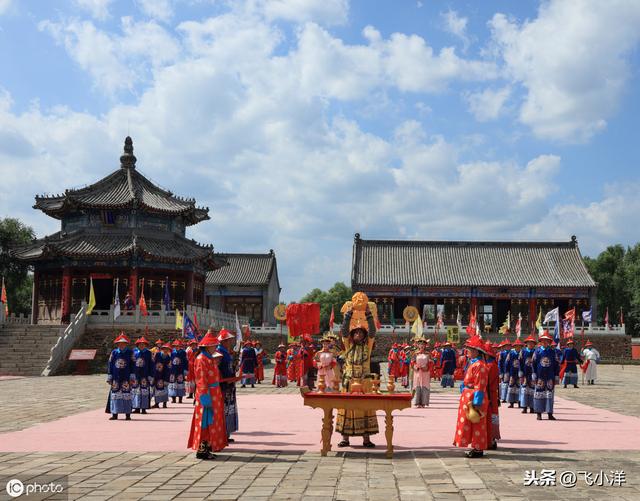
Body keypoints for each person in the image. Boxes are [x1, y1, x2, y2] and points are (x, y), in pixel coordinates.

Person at [336, 296, 378, 448]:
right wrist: (349, 314)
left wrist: (368, 314)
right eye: (356, 333)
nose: (358, 335)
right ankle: (345, 438)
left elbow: (373, 331)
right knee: (347, 409)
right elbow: (344, 331)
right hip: (349, 381)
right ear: (352, 335)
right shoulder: (347, 345)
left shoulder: (367, 346)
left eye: (361, 333)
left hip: (364, 382)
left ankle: (366, 439)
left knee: (365, 409)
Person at [187, 330, 227, 460]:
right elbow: (201, 379)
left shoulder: (209, 358)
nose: (216, 347)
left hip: (214, 394)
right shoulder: (201, 359)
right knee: (205, 422)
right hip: (207, 395)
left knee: (213, 422)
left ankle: (208, 447)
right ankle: (202, 449)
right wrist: (204, 397)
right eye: (214, 345)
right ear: (207, 346)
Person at [453, 335, 489, 458]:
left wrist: (477, 401)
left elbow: (480, 385)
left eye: (469, 349)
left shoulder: (480, 366)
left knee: (477, 423)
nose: (466, 351)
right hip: (468, 396)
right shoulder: (472, 363)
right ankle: (473, 446)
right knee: (470, 423)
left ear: (475, 351)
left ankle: (478, 448)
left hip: (474, 397)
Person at [106, 333, 136, 420]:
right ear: (117, 344)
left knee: (126, 395)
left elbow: (133, 364)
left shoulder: (130, 352)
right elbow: (110, 364)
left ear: (126, 344)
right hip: (116, 377)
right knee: (115, 395)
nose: (121, 345)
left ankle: (128, 414)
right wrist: (109, 375)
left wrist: (132, 376)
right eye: (120, 343)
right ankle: (115, 414)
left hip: (126, 377)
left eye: (123, 343)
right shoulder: (114, 352)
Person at [532, 331, 560, 420]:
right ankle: (538, 413)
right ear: (540, 342)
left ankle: (549, 413)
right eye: (543, 341)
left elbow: (556, 364)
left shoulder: (552, 352)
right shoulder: (537, 352)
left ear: (549, 342)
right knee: (539, 394)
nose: (545, 342)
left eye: (546, 341)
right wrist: (534, 375)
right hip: (540, 377)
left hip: (550, 377)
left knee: (549, 395)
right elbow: (533, 364)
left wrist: (556, 376)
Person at [217, 329, 239, 442]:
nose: (231, 342)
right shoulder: (219, 352)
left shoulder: (226, 352)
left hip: (229, 384)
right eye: (229, 340)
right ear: (223, 341)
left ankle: (226, 433)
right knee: (224, 409)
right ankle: (223, 433)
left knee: (229, 408)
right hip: (224, 385)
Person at [484, 341, 500, 450]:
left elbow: (487, 383)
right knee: (492, 417)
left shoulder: (490, 366)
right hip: (493, 395)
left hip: (489, 395)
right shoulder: (492, 365)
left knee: (489, 417)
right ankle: (491, 439)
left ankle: (490, 439)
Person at [132, 336, 153, 414]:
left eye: (143, 344)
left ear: (145, 345)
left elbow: (152, 364)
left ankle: (144, 408)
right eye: (140, 344)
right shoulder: (134, 352)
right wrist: (131, 373)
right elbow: (131, 363)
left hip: (145, 374)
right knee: (136, 391)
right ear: (137, 344)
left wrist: (151, 374)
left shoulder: (148, 353)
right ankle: (136, 407)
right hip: (136, 374)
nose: (141, 345)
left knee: (144, 391)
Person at [411, 337, 433, 407]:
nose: (422, 346)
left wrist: (427, 367)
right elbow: (412, 362)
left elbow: (431, 362)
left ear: (425, 345)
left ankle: (424, 402)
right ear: (418, 345)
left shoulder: (428, 354)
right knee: (417, 385)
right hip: (417, 371)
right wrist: (416, 367)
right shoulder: (415, 353)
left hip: (425, 372)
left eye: (423, 344)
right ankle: (417, 402)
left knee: (425, 386)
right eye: (420, 344)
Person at [518, 335, 536, 414]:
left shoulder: (536, 352)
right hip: (525, 374)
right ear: (526, 344)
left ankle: (532, 407)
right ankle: (524, 407)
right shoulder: (523, 352)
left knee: (532, 390)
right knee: (524, 390)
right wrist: (520, 372)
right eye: (529, 343)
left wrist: (535, 373)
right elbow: (520, 363)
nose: (531, 345)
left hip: (532, 374)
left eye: (532, 343)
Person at [153, 342, 172, 408]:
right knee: (157, 388)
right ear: (162, 349)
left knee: (165, 389)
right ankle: (157, 403)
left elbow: (169, 367)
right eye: (164, 349)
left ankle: (164, 403)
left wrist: (167, 377)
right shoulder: (157, 354)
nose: (165, 350)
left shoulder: (168, 358)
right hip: (157, 374)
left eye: (167, 349)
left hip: (165, 374)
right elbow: (153, 363)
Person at [169, 339, 188, 403]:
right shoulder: (172, 352)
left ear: (180, 346)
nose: (177, 347)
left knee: (180, 385)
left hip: (180, 370)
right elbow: (171, 361)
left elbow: (185, 361)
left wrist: (186, 370)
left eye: (178, 345)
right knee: (173, 384)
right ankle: (173, 399)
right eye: (176, 346)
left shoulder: (183, 352)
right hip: (173, 371)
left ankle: (180, 399)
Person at [505, 339, 523, 407]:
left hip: (519, 373)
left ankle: (519, 402)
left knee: (519, 387)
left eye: (519, 346)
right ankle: (511, 402)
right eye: (516, 346)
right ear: (514, 346)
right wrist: (507, 372)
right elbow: (507, 363)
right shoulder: (511, 354)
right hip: (512, 372)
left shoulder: (522, 353)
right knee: (511, 386)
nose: (518, 347)